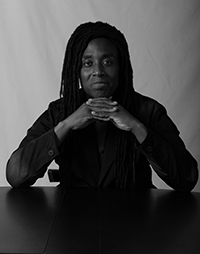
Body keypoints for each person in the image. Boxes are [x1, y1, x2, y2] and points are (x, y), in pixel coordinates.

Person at [6, 21, 198, 191]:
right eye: (87, 63)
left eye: (107, 62)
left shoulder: (148, 111)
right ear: (77, 70)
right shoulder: (60, 112)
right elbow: (16, 175)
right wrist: (66, 126)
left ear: (121, 66)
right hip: (71, 220)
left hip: (135, 221)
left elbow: (187, 179)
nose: (98, 71)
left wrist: (137, 127)